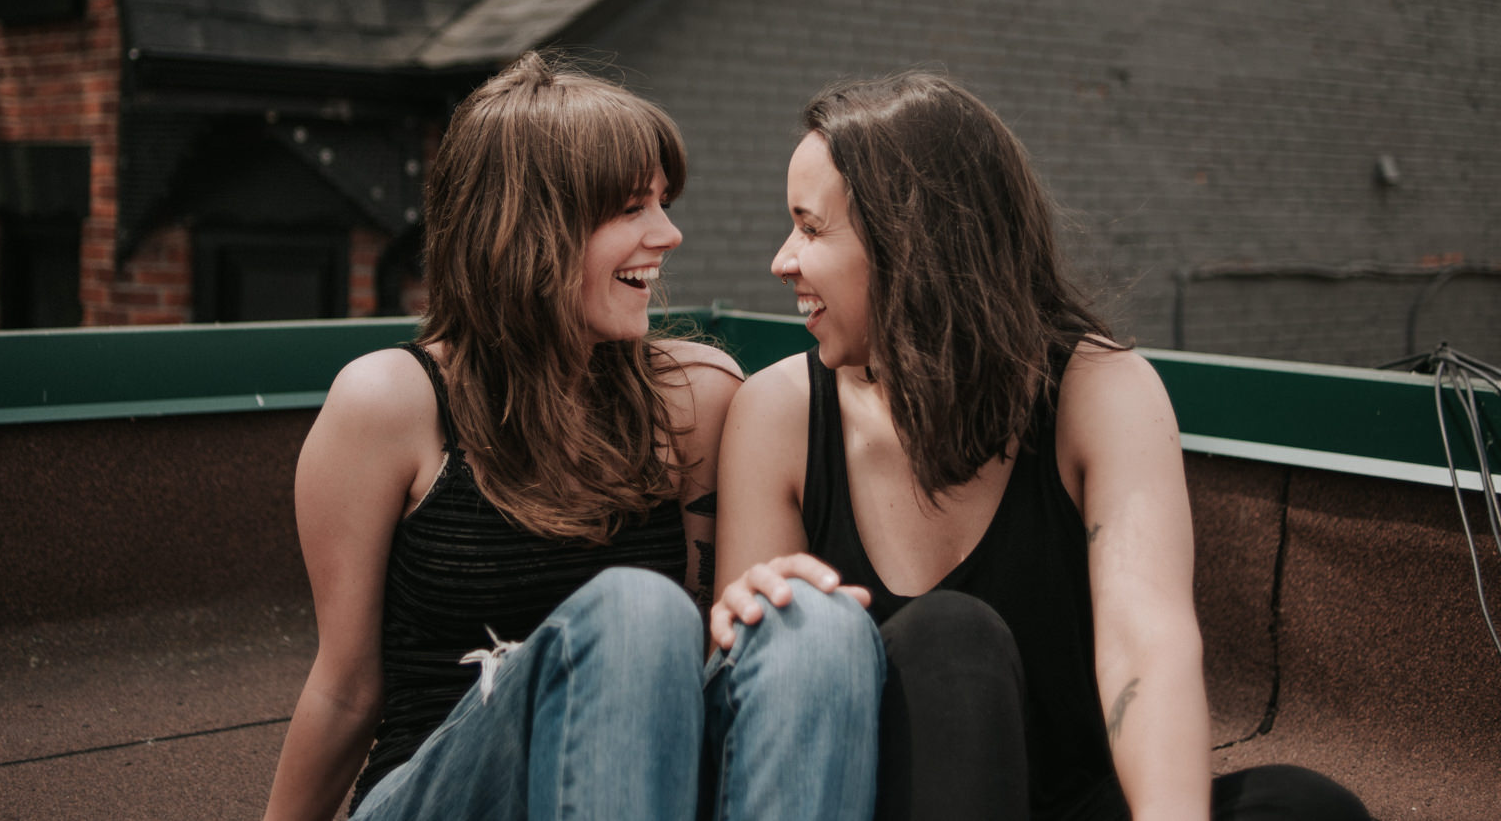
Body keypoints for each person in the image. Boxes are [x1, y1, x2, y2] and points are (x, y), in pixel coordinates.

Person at [712, 72, 1369, 821]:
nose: (782, 260)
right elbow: (759, 702)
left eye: (809, 226)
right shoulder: (778, 413)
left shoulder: (1100, 390)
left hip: (1066, 804)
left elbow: (1146, 645)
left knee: (1304, 805)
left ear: (910, 240)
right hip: (872, 805)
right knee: (950, 636)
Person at [262, 53, 883, 821]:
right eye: (631, 208)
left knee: (810, 620)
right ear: (528, 228)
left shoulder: (693, 399)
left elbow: (714, 664)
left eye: (663, 202)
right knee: (635, 611)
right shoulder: (390, 405)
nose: (670, 233)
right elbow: (346, 689)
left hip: (632, 787)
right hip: (444, 787)